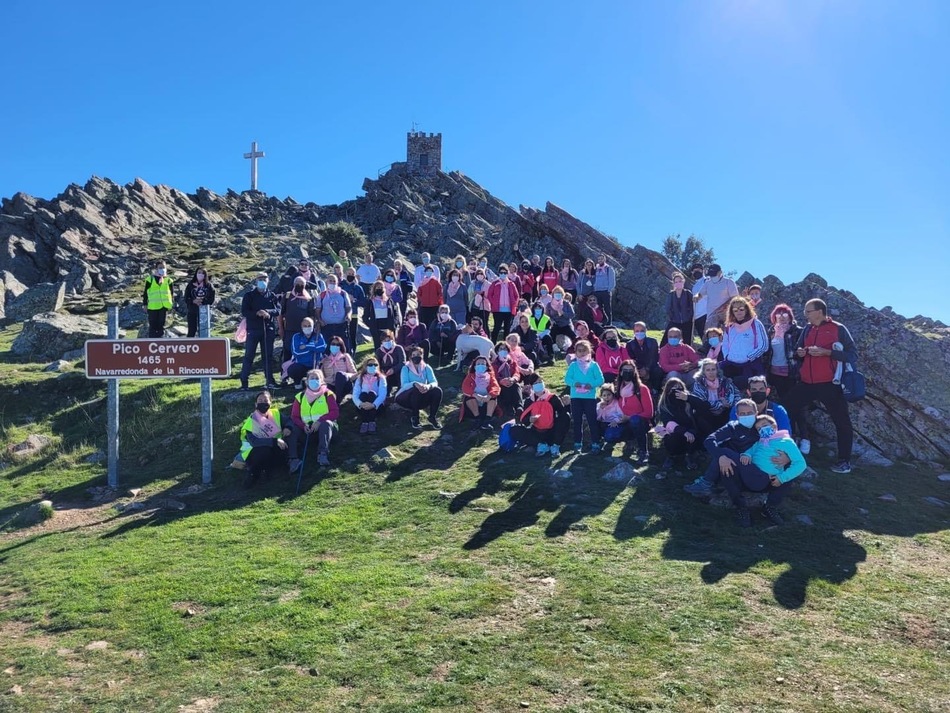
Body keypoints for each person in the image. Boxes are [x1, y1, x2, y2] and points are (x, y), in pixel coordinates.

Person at [784, 298, 857, 472]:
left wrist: (827, 353)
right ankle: (787, 448)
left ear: (819, 311)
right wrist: (800, 353)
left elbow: (852, 355)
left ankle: (844, 461)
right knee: (786, 408)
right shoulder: (808, 329)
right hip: (807, 383)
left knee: (842, 422)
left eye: (808, 311)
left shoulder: (838, 329)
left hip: (830, 384)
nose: (805, 314)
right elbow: (797, 351)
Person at [683, 398, 792, 507]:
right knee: (724, 452)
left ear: (756, 413)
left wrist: (787, 457)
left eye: (749, 413)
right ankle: (707, 484)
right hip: (736, 466)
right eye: (742, 414)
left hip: (760, 465)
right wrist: (721, 456)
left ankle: (771, 506)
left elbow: (781, 442)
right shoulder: (732, 427)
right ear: (737, 415)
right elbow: (709, 440)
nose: (746, 416)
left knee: (792, 464)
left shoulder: (762, 426)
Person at [729, 413, 807, 525]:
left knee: (790, 473)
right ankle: (741, 508)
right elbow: (750, 451)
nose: (762, 429)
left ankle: (770, 507)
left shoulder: (786, 441)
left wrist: (781, 478)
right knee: (728, 465)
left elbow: (800, 463)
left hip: (772, 481)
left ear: (774, 426)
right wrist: (746, 455)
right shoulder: (760, 442)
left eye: (764, 425)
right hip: (751, 476)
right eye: (759, 428)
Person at [237, 390, 291, 487]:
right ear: (256, 404)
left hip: (275, 446)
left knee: (284, 446)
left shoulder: (275, 414)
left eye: (265, 400)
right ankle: (253, 475)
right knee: (264, 451)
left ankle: (275, 472)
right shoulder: (252, 420)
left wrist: (288, 427)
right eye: (260, 400)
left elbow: (289, 421)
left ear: (271, 402)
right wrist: (275, 441)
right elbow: (254, 442)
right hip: (254, 453)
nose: (263, 403)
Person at [288, 369, 339, 469]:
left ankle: (322, 454)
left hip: (326, 430)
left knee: (326, 423)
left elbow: (335, 412)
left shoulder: (327, 394)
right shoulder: (300, 397)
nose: (314, 380)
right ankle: (293, 459)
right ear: (307, 381)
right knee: (292, 429)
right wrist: (303, 426)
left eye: (317, 378)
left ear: (322, 381)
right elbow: (294, 416)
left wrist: (320, 421)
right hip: (308, 431)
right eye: (312, 378)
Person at [239, 271, 280, 391]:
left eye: (264, 279)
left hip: (268, 329)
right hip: (253, 329)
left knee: (267, 356)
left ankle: (270, 381)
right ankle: (244, 382)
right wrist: (257, 313)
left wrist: (268, 312)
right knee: (249, 356)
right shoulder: (249, 295)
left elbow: (278, 310)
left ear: (268, 281)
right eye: (260, 279)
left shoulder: (272, 295)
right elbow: (244, 311)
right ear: (256, 281)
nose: (262, 281)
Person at [508, 380, 571, 457]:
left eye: (539, 382)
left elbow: (562, 414)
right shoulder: (529, 401)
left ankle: (555, 446)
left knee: (566, 416)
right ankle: (541, 445)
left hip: (552, 431)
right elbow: (524, 421)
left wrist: (567, 405)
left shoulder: (553, 398)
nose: (538, 385)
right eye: (535, 383)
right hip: (536, 431)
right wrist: (529, 419)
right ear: (532, 387)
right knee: (514, 429)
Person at [564, 339, 605, 452]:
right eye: (579, 350)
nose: (582, 353)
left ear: (589, 351)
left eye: (584, 350)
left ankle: (595, 443)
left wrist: (591, 385)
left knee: (592, 420)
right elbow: (567, 379)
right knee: (577, 421)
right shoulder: (573, 365)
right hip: (575, 398)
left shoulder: (594, 365)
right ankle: (577, 443)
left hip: (590, 398)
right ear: (575, 352)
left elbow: (601, 380)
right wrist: (574, 383)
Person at [720, 296, 768, 389]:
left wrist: (749, 357)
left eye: (741, 309)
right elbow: (725, 344)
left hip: (750, 365)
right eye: (735, 310)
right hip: (731, 363)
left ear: (746, 309)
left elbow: (764, 345)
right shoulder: (729, 327)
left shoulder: (756, 323)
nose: (739, 312)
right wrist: (727, 356)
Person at [654, 378, 702, 469]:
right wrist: (684, 432)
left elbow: (703, 405)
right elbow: (667, 422)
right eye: (674, 389)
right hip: (674, 432)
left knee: (693, 435)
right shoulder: (664, 405)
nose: (677, 391)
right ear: (668, 391)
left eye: (680, 388)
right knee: (672, 438)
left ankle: (690, 456)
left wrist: (688, 398)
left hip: (691, 431)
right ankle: (672, 456)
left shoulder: (688, 402)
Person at [688, 358, 741, 437]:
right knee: (699, 413)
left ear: (717, 370)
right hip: (707, 414)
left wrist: (729, 403)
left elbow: (737, 395)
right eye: (708, 370)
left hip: (724, 412)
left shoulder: (725, 381)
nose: (711, 372)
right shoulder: (699, 384)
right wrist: (720, 403)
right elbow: (701, 402)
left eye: (713, 369)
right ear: (703, 372)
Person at [395, 346, 443, 429]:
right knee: (415, 390)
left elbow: (434, 382)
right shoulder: (405, 368)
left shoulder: (426, 367)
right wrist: (415, 384)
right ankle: (415, 418)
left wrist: (428, 386)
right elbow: (404, 385)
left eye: (418, 354)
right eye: (413, 355)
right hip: (405, 397)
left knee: (437, 391)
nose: (416, 357)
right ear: (410, 357)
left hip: (422, 396)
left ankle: (432, 417)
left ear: (422, 356)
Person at [615, 359, 655, 461]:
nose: (628, 373)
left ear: (634, 373)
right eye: (625, 370)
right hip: (624, 421)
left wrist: (629, 417)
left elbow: (649, 413)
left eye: (630, 370)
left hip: (640, 422)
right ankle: (629, 440)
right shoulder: (618, 389)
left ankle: (643, 451)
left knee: (635, 420)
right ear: (621, 372)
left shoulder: (642, 389)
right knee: (610, 435)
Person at [766, 303, 803, 400]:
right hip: (774, 373)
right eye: (778, 315)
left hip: (792, 373)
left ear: (790, 317)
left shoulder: (797, 331)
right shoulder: (771, 331)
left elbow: (803, 351)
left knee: (793, 400)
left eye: (785, 314)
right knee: (782, 399)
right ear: (774, 317)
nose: (781, 317)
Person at [280, 275, 317, 362]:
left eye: (302, 284)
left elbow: (312, 316)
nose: (299, 286)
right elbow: (280, 314)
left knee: (303, 352)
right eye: (297, 284)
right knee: (287, 353)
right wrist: (281, 329)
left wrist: (310, 331)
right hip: (289, 331)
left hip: (303, 332)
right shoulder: (287, 296)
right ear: (294, 284)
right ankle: (285, 374)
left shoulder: (309, 298)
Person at [284, 317, 326, 389]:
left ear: (313, 326)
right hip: (302, 365)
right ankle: (298, 382)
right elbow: (296, 353)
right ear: (301, 326)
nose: (307, 328)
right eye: (305, 326)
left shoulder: (318, 336)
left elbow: (322, 348)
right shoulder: (296, 337)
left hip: (315, 365)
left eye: (309, 326)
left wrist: (307, 346)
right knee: (293, 370)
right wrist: (313, 347)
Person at [460, 355, 501, 430]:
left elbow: (496, 387)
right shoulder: (470, 376)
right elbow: (465, 387)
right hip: (474, 402)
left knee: (493, 399)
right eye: (478, 364)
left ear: (486, 366)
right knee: (469, 398)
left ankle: (487, 421)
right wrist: (475, 395)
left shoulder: (491, 376)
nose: (480, 365)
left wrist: (489, 395)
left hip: (486, 402)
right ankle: (477, 419)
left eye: (483, 364)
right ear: (475, 366)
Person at [693, 263, 738, 328]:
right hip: (711, 317)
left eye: (714, 274)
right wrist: (697, 296)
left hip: (726, 316)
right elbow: (700, 294)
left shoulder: (729, 282)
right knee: (710, 336)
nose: (712, 277)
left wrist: (722, 307)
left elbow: (735, 298)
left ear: (720, 272)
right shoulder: (708, 283)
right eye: (711, 275)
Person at [352, 357, 388, 434]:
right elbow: (355, 394)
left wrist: (374, 405)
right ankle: (364, 422)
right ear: (365, 366)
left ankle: (372, 421)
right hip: (362, 405)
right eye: (370, 364)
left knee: (371, 393)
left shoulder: (381, 378)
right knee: (364, 394)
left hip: (376, 406)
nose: (373, 366)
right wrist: (360, 403)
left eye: (375, 364)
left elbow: (382, 394)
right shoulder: (360, 378)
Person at [316, 274, 352, 349]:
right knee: (326, 349)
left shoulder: (343, 293)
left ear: (337, 282)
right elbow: (317, 310)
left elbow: (348, 307)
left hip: (341, 326)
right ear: (327, 282)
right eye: (330, 281)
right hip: (326, 327)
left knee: (343, 348)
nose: (332, 283)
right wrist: (319, 320)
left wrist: (348, 315)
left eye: (334, 281)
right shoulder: (321, 295)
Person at [492, 341, 525, 418]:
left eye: (505, 349)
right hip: (500, 385)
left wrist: (513, 379)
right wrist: (501, 381)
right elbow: (493, 376)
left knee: (516, 386)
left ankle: (519, 407)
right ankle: (508, 408)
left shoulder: (512, 362)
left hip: (512, 382)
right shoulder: (494, 364)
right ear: (497, 351)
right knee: (504, 389)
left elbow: (517, 373)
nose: (503, 351)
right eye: (501, 349)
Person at [625, 322, 662, 390]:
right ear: (633, 331)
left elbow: (655, 357)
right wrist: (640, 369)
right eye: (637, 331)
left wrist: (647, 369)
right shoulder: (630, 344)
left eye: (642, 331)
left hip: (650, 367)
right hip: (638, 368)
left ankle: (655, 390)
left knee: (658, 370)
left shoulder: (653, 342)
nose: (639, 333)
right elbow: (631, 359)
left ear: (646, 330)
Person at [487, 266, 519, 342]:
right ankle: (493, 344)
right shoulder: (495, 283)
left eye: (505, 273)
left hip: (509, 311)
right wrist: (493, 303)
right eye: (501, 273)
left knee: (507, 329)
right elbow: (489, 295)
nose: (503, 274)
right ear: (499, 273)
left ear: (507, 273)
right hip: (497, 310)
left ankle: (506, 345)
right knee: (496, 328)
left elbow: (516, 295)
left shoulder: (511, 284)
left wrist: (514, 304)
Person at [319, 336, 358, 401]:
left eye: (338, 345)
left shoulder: (345, 357)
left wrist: (345, 375)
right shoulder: (324, 359)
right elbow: (319, 375)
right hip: (329, 385)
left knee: (339, 374)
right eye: (333, 344)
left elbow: (354, 374)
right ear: (329, 345)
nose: (335, 346)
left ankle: (338, 400)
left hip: (344, 385)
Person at [142, 259, 173, 338]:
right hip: (152, 306)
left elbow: (171, 294)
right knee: (152, 325)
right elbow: (145, 293)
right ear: (156, 269)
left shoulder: (169, 280)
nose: (162, 269)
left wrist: (171, 305)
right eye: (160, 267)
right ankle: (152, 343)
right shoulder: (150, 279)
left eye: (163, 267)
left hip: (164, 306)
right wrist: (145, 304)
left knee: (161, 325)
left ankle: (160, 343)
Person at [662, 272, 694, 347]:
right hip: (675, 321)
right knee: (665, 340)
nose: (678, 283)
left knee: (687, 341)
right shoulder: (671, 294)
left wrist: (689, 317)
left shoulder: (688, 293)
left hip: (687, 321)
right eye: (676, 282)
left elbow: (692, 306)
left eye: (680, 281)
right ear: (673, 284)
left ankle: (687, 356)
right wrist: (672, 317)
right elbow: (667, 308)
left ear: (683, 282)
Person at [364, 280, 399, 349]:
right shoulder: (370, 302)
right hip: (377, 329)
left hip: (389, 328)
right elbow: (365, 317)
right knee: (378, 348)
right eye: (377, 287)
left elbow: (396, 313)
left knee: (391, 347)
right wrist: (371, 325)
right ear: (374, 289)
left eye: (381, 287)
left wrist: (394, 323)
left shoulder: (389, 301)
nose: (379, 289)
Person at [184, 266, 216, 337]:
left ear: (205, 275)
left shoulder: (209, 285)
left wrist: (203, 301)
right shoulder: (190, 285)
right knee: (192, 330)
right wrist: (193, 301)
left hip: (204, 311)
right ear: (196, 274)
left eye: (202, 273)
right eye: (199, 272)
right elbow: (186, 298)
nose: (200, 274)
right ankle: (190, 344)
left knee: (204, 330)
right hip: (192, 310)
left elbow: (211, 299)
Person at [340, 266, 366, 352]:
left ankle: (352, 354)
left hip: (353, 315)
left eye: (352, 274)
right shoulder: (340, 286)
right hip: (340, 315)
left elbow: (363, 302)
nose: (350, 275)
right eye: (349, 273)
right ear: (345, 274)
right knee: (342, 336)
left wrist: (354, 300)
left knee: (352, 335)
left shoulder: (358, 288)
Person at [375, 329, 406, 397]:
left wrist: (393, 369)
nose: (387, 342)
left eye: (388, 340)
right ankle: (386, 393)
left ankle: (400, 391)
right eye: (384, 341)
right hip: (385, 371)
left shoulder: (398, 348)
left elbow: (402, 362)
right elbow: (377, 364)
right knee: (384, 379)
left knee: (402, 372)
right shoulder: (379, 351)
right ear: (382, 342)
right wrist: (381, 371)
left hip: (397, 370)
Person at [416, 264, 444, 329]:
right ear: (425, 272)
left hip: (434, 306)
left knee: (433, 323)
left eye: (430, 271)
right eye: (427, 271)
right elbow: (419, 294)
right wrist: (422, 300)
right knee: (424, 324)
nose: (429, 272)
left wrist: (437, 301)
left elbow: (440, 293)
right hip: (424, 306)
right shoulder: (422, 282)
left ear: (432, 272)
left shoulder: (436, 282)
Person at [593, 254, 616, 324]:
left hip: (605, 291)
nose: (600, 260)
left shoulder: (609, 268)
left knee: (607, 309)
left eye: (601, 259)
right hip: (597, 291)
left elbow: (612, 281)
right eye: (599, 259)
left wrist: (608, 290)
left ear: (604, 260)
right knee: (598, 308)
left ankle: (609, 323)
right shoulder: (595, 269)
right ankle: (601, 322)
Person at [689, 262, 709, 339]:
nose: (696, 272)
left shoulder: (707, 280)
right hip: (697, 317)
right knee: (703, 338)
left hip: (706, 314)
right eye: (694, 271)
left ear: (702, 270)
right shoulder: (694, 286)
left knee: (709, 337)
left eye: (698, 270)